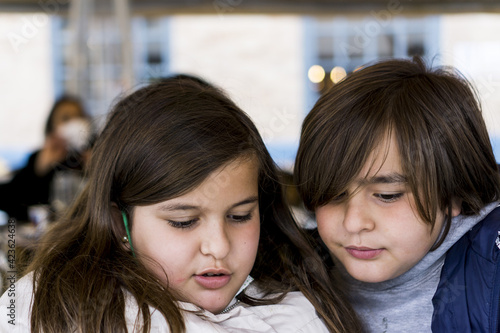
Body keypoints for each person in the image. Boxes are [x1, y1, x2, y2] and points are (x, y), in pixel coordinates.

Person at [0, 76, 362, 332]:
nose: (218, 246)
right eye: (184, 221)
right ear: (118, 222)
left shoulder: (296, 311)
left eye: (240, 216)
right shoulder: (48, 311)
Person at [294, 57, 500, 332]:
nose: (354, 223)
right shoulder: (281, 276)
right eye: (333, 194)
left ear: (453, 192)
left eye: (387, 195)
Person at [0, 95, 92, 221]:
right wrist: (40, 169)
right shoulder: (38, 158)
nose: (73, 123)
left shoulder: (94, 156)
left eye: (78, 117)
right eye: (66, 118)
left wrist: (94, 167)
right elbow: (9, 201)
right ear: (53, 125)